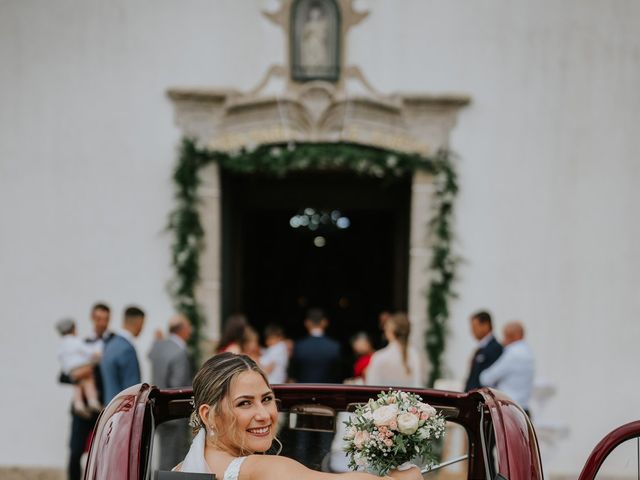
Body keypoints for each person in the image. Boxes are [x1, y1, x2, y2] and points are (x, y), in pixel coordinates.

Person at [174, 352, 422, 480]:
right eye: (244, 403)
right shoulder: (257, 469)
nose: (264, 414)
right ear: (208, 414)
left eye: (267, 399)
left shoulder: (180, 470)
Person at [63, 302, 113, 480]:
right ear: (93, 318)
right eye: (99, 318)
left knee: (105, 453)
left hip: (104, 408)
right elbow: (63, 375)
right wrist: (77, 376)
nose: (102, 322)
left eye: (106, 319)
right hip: (82, 408)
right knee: (75, 452)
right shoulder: (81, 344)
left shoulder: (114, 344)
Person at [148, 314, 194, 470]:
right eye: (189, 327)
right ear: (182, 329)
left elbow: (151, 355)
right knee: (175, 457)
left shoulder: (158, 347)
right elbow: (178, 386)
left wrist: (157, 340)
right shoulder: (180, 351)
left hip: (159, 408)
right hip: (176, 411)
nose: (190, 331)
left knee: (165, 453)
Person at [479, 321, 535, 416]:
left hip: (509, 410)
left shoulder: (512, 353)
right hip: (524, 408)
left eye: (505, 336)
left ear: (511, 336)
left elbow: (487, 378)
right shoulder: (528, 352)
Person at [55, 318, 103, 417]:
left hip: (71, 369)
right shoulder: (75, 341)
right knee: (89, 381)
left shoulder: (61, 345)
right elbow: (86, 350)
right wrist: (96, 353)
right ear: (72, 329)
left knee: (77, 385)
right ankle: (92, 401)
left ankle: (78, 405)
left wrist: (67, 370)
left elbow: (60, 357)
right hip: (81, 366)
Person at [365, 313, 425, 388]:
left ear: (390, 331)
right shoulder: (416, 355)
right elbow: (419, 385)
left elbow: (371, 387)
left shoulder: (379, 357)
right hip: (411, 399)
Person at [100, 305, 145, 404]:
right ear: (139, 322)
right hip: (123, 409)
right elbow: (132, 388)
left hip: (110, 408)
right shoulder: (126, 348)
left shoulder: (109, 344)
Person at [289, 308, 342, 383]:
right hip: (328, 393)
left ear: (307, 323)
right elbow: (338, 375)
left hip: (303, 392)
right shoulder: (334, 347)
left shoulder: (299, 346)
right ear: (325, 322)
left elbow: (293, 375)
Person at [464, 310, 503, 391]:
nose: (472, 331)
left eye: (475, 327)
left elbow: (490, 379)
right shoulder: (480, 348)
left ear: (486, 325)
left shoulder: (495, 348)